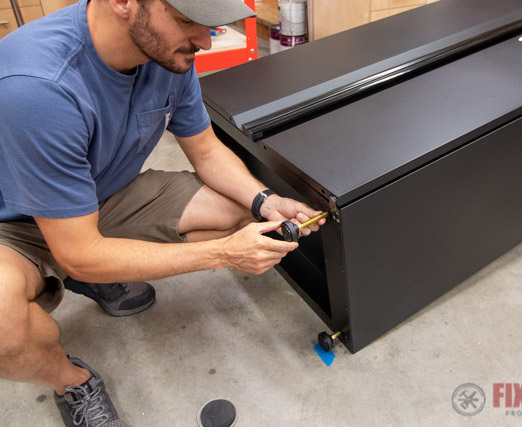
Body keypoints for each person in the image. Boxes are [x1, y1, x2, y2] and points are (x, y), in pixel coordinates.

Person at [0, 0, 325, 425]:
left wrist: (265, 200)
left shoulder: (164, 53)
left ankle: (98, 275)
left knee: (238, 210)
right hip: (16, 222)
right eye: (187, 21)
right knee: (5, 329)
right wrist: (224, 254)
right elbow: (75, 250)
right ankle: (72, 381)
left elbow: (206, 150)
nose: (204, 42)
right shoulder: (38, 87)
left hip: (102, 195)